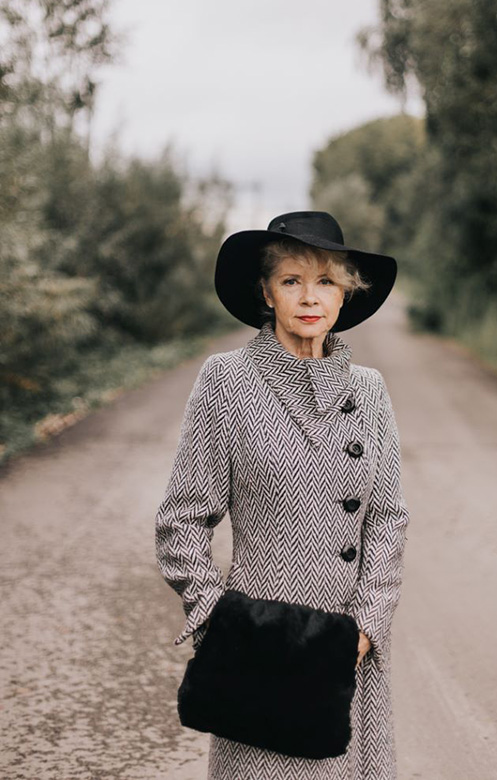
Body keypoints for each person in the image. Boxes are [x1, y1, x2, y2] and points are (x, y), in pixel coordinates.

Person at [155, 211, 411, 780]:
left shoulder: (369, 391)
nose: (310, 297)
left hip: (347, 647)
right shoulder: (226, 380)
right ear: (266, 293)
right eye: (292, 280)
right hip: (261, 646)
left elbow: (389, 519)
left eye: (326, 281)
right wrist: (218, 621)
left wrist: (365, 627)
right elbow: (182, 522)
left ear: (346, 295)